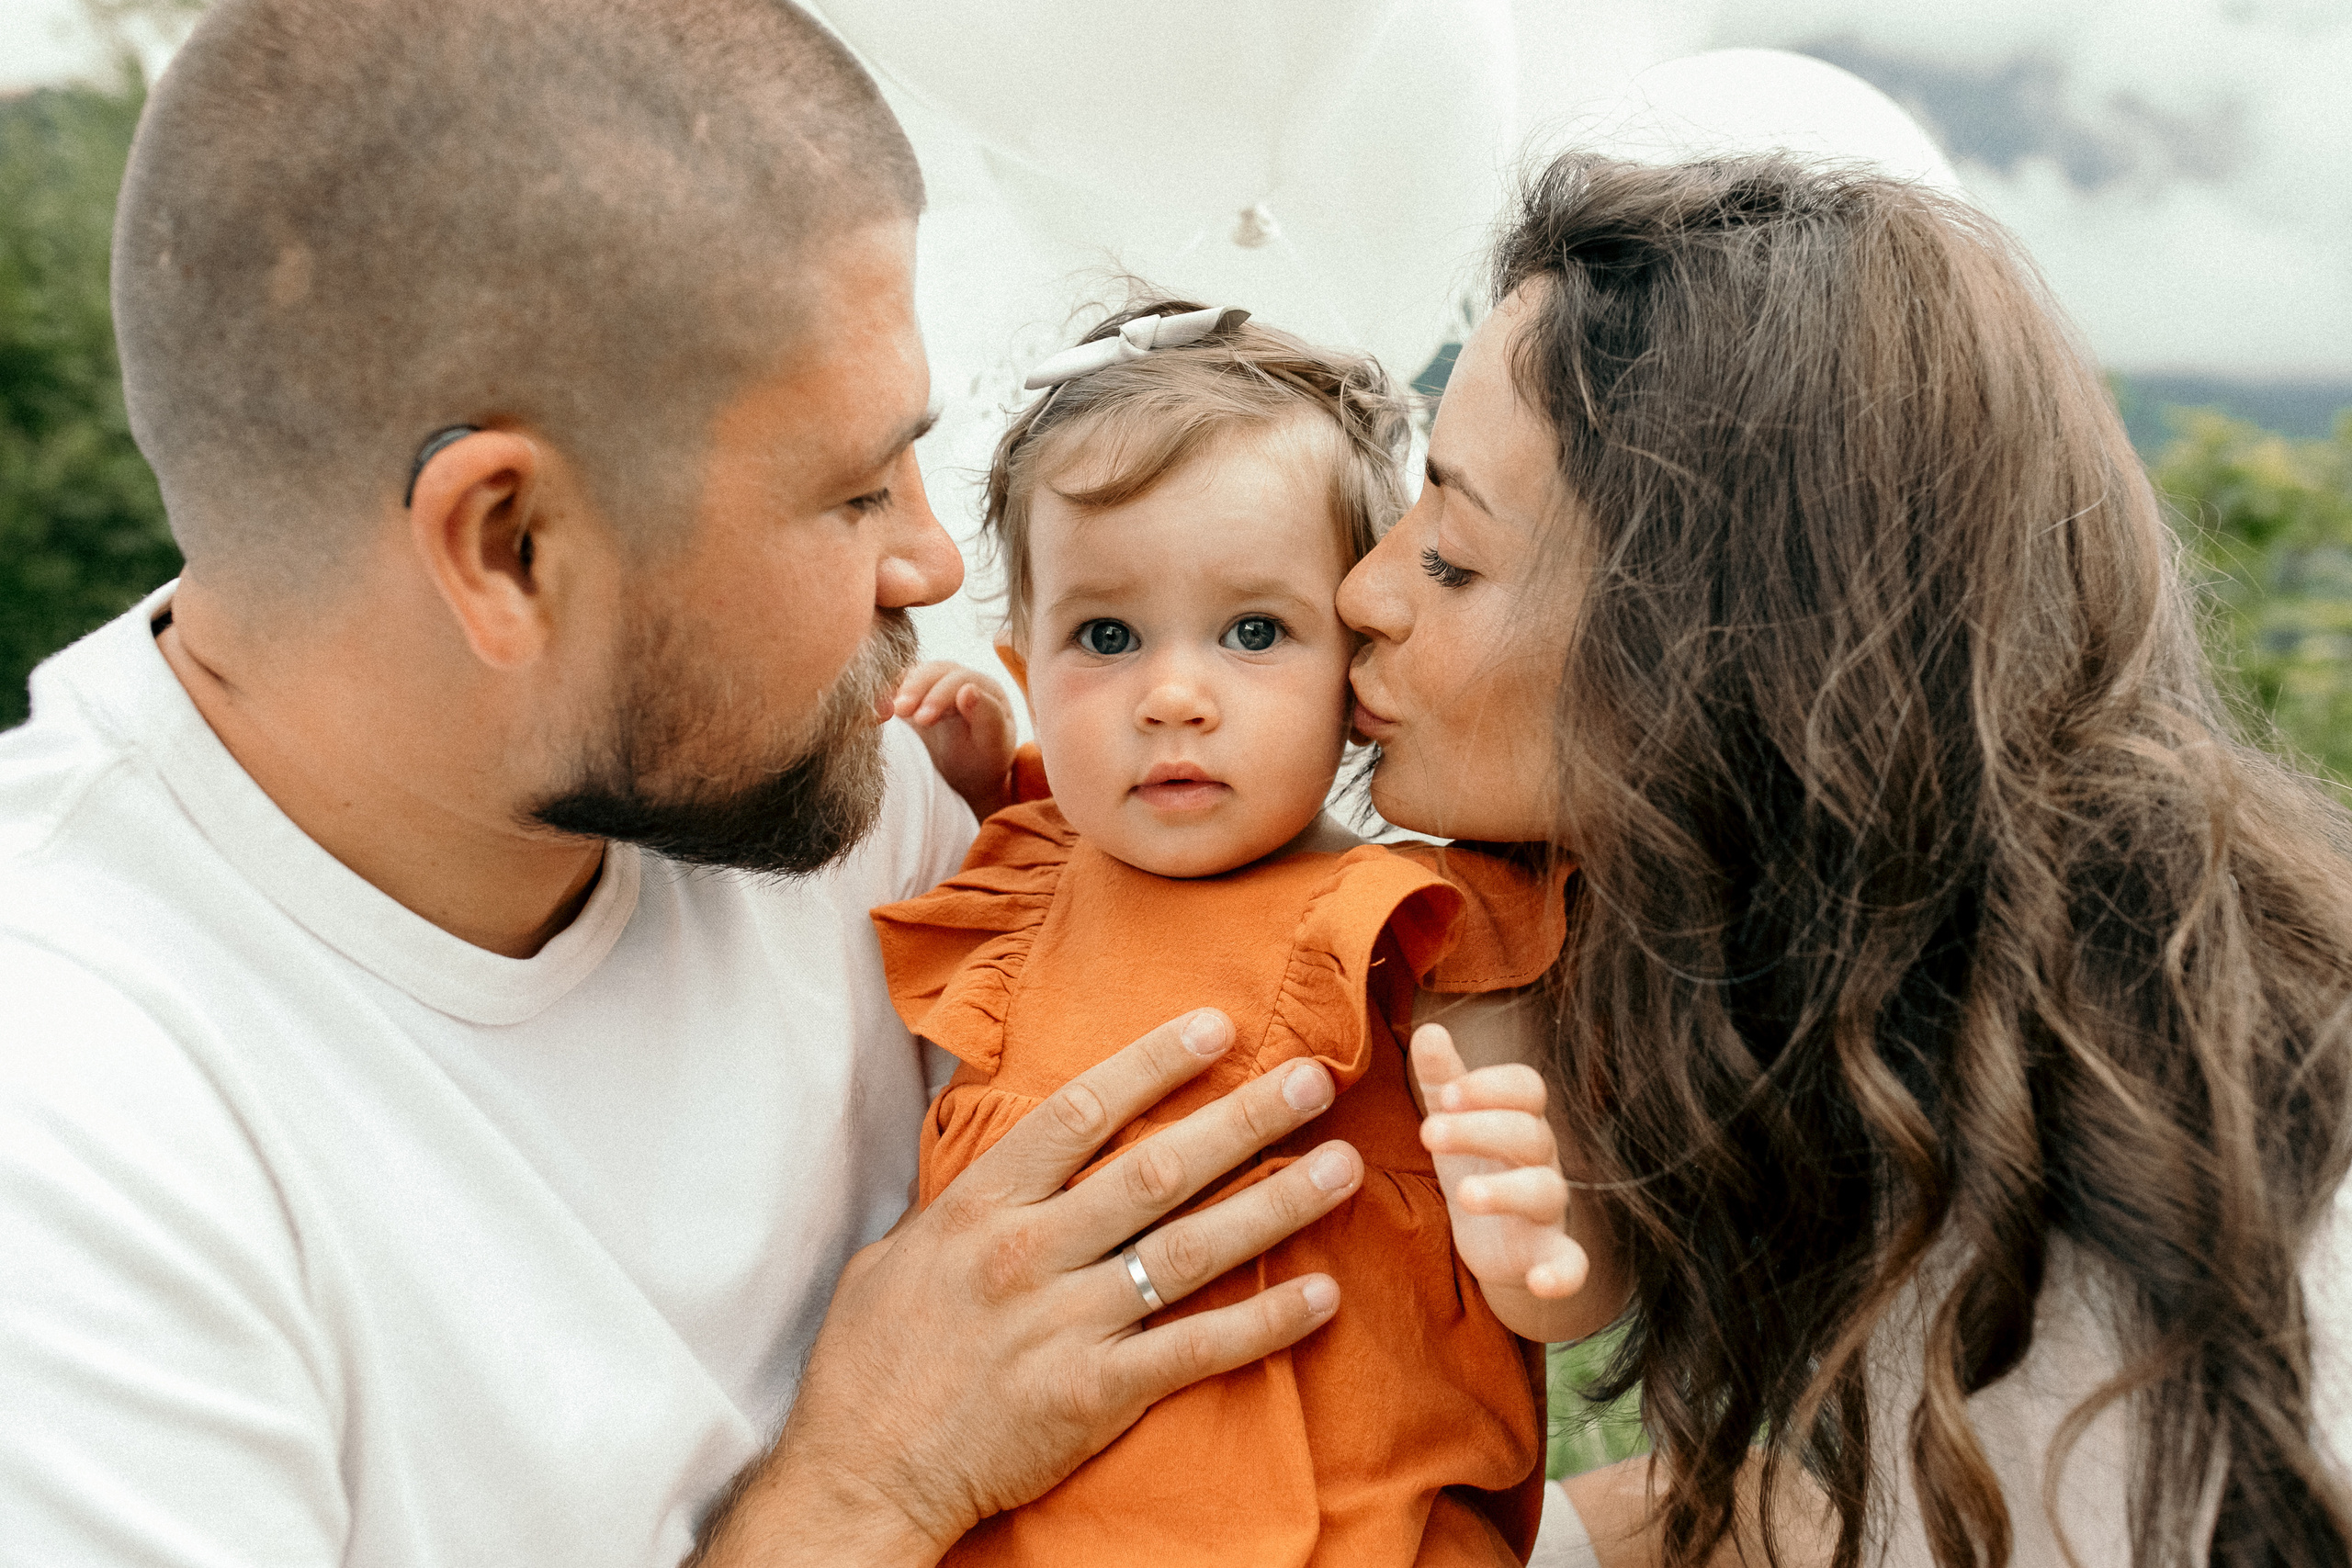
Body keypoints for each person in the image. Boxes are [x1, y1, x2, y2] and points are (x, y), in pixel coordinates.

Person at [0, 4, 1385, 1565]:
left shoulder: (868, 807)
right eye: (854, 488)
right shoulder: (67, 1136)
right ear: (506, 547)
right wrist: (862, 1492)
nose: (928, 561)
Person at [1339, 152, 2352, 1567]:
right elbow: (1803, 1510)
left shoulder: (2153, 1250)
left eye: (1450, 556)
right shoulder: (1920, 1034)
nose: (1361, 594)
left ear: (1711, 652)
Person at [876, 299, 1622, 1564]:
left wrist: (1542, 1239)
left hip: (1361, 1529)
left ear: (1357, 670)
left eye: (1255, 633)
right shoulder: (1016, 878)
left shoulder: (1426, 926)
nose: (1173, 696)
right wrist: (970, 771)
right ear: (1024, 661)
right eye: (1105, 638)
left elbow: (1573, 1287)